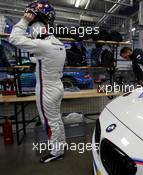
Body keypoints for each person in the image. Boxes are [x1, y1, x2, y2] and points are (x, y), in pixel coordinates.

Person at [10, 0, 66, 163]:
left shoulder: (42, 45)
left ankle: (56, 152)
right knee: (56, 120)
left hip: (46, 90)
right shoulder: (58, 44)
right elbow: (45, 59)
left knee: (49, 122)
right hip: (57, 86)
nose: (31, 31)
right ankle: (60, 146)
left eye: (32, 27)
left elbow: (14, 38)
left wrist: (24, 20)